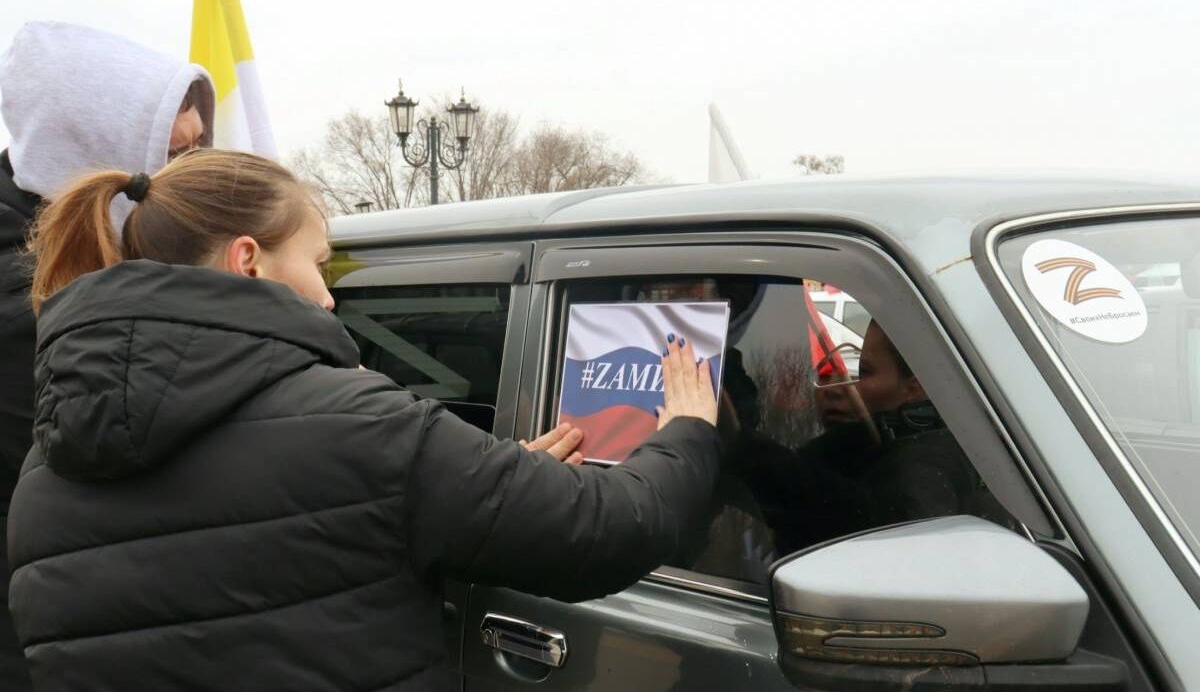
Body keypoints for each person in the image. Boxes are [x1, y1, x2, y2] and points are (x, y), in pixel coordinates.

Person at [6, 149, 722, 692]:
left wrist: (485, 479)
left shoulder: (42, 477)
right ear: (248, 260)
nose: (327, 298)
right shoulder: (363, 430)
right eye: (319, 264)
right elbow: (606, 530)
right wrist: (687, 429)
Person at [0, 21, 216, 690]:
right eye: (171, 154)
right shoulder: (28, 299)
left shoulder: (109, 267)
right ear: (97, 149)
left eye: (199, 151)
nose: (187, 180)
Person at [735, 319, 993, 555]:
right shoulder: (874, 447)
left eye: (864, 373)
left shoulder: (920, 469)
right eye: (824, 376)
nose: (839, 389)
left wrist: (735, 441)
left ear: (914, 388)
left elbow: (855, 514)